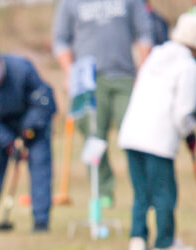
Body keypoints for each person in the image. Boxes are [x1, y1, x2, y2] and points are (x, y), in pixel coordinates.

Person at [119, 13, 196, 250]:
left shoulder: (156, 55)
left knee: (141, 191)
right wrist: (190, 134)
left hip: (131, 132)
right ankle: (165, 243)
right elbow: (183, 112)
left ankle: (137, 240)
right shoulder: (189, 67)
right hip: (158, 137)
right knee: (164, 191)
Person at [52, 0, 153, 207]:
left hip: (125, 77)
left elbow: (145, 33)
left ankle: (145, 190)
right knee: (93, 137)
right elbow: (60, 40)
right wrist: (70, 73)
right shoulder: (69, 3)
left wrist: (143, 70)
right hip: (88, 80)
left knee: (135, 137)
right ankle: (103, 191)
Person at [0, 45, 57, 232]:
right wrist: (7, 141)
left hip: (32, 123)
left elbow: (44, 102)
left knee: (40, 166)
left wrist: (26, 131)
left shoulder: (22, 68)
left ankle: (41, 221)